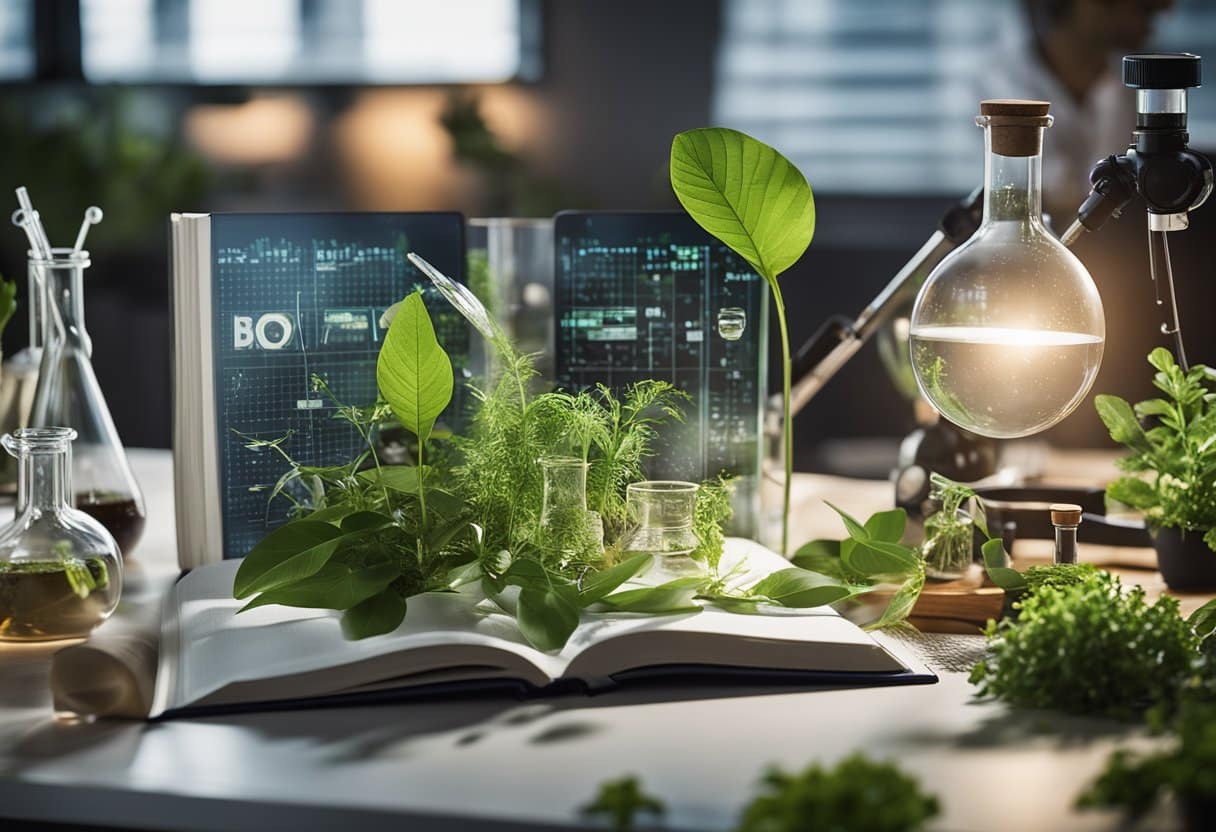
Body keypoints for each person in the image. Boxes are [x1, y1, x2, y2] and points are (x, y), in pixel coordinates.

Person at [978, 0, 1176, 220]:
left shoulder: (1135, 83)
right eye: (1144, 10)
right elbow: (1055, 193)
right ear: (1089, 6)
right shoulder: (1000, 82)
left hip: (1121, 241)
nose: (1151, 27)